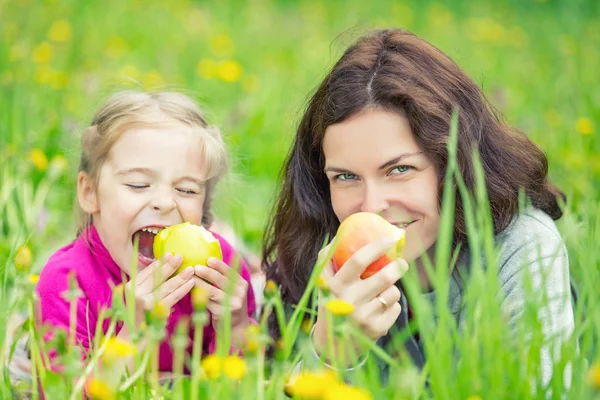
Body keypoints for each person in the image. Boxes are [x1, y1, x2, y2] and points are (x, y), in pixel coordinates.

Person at [262, 29, 574, 386]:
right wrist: (332, 355)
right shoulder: (325, 256)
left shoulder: (519, 246)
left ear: (453, 162)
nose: (372, 206)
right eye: (346, 176)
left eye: (399, 169)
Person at [35, 91, 256, 372]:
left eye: (186, 190)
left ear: (202, 206)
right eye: (138, 184)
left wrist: (234, 326)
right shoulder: (66, 284)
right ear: (90, 193)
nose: (164, 203)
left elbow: (244, 384)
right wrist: (134, 332)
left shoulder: (222, 271)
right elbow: (64, 391)